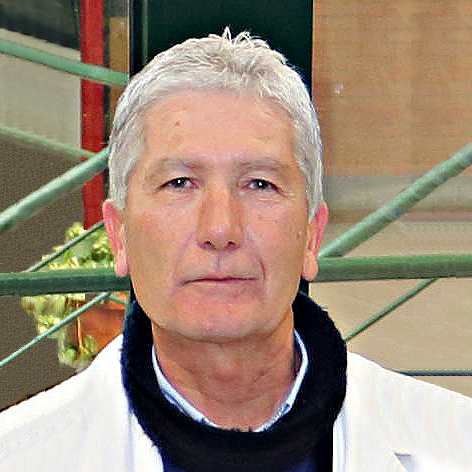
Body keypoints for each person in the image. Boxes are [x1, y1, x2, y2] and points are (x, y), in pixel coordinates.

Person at [1, 29, 471, 472]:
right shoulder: (19, 453)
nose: (221, 229)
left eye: (259, 184)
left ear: (312, 235)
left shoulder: (456, 444)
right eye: (179, 183)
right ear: (119, 234)